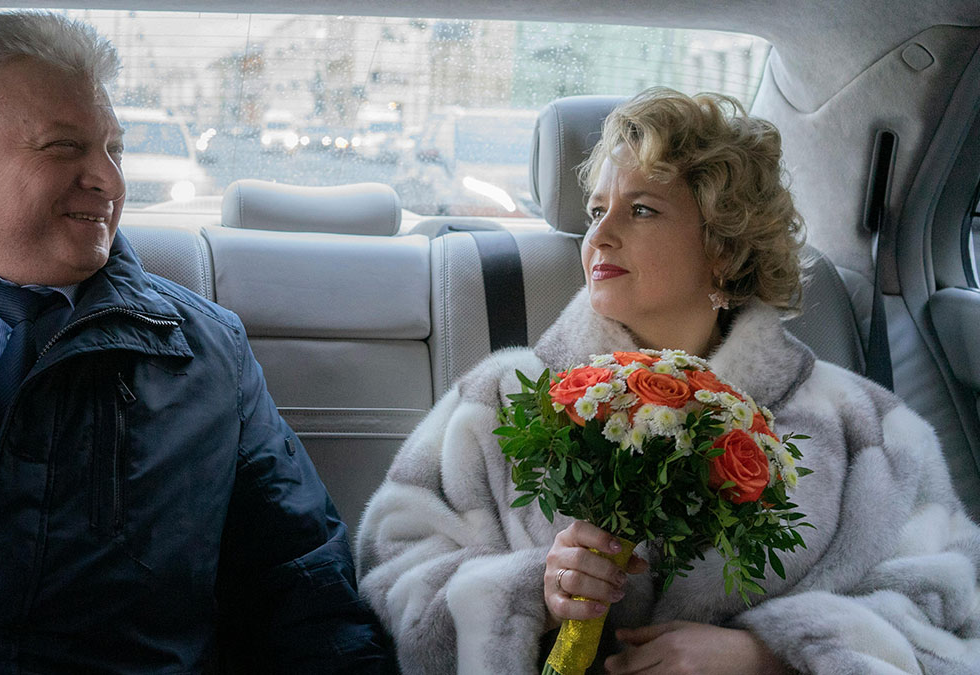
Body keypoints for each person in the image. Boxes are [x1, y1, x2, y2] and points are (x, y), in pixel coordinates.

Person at [0, 11, 392, 673]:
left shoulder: (206, 355)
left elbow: (303, 589)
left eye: (113, 149)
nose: (108, 179)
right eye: (65, 147)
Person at [355, 87, 980, 674]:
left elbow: (954, 612)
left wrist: (767, 655)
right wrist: (533, 594)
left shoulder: (867, 429)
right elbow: (392, 571)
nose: (599, 234)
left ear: (725, 246)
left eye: (642, 209)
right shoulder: (503, 400)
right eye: (598, 210)